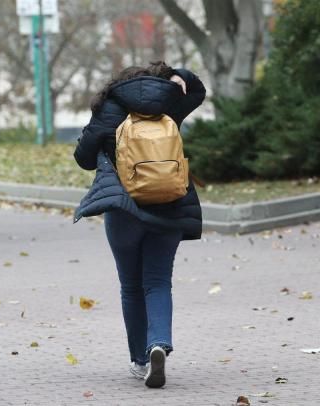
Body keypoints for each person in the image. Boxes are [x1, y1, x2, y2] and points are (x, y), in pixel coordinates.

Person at [73, 61, 206, 388]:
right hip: (170, 205)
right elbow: (199, 91)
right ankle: (158, 343)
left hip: (123, 209)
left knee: (131, 286)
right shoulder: (170, 103)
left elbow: (84, 158)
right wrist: (181, 77)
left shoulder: (110, 106)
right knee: (158, 281)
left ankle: (140, 360)